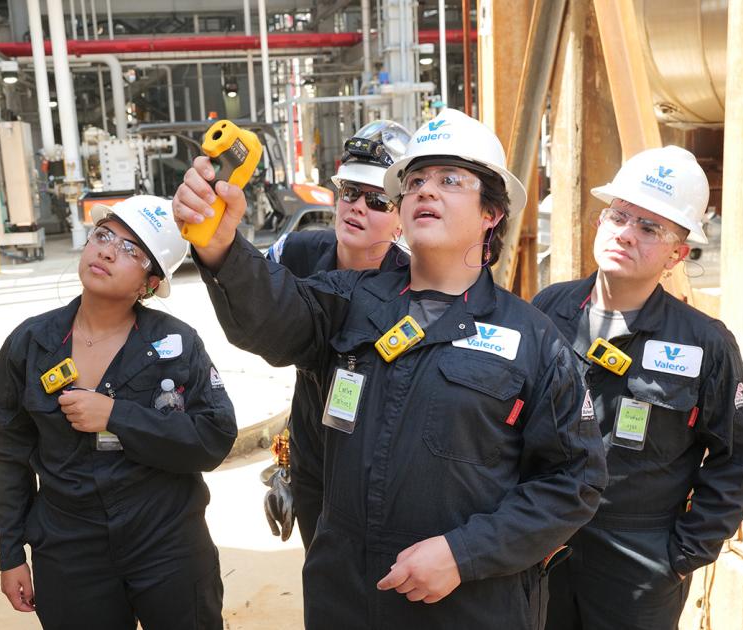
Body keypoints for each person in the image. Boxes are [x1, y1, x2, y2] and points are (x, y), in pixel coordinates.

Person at [174, 108, 607, 629]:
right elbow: (270, 320)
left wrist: (462, 553)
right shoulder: (346, 302)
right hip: (346, 594)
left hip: (468, 605)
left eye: (450, 180)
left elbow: (573, 482)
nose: (426, 190)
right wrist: (221, 245)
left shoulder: (532, 341)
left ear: (492, 212)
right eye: (416, 181)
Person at [0, 195, 236, 630]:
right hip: (69, 549)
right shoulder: (30, 344)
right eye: (103, 235)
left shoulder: (177, 344)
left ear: (151, 283)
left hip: (167, 543)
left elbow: (214, 438)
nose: (105, 250)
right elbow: (9, 455)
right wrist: (11, 554)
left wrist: (116, 416)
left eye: (130, 249)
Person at [533, 146, 743, 630]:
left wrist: (677, 557)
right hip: (541, 545)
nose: (626, 233)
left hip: (640, 563)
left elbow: (733, 464)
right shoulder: (549, 311)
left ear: (678, 253)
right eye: (619, 216)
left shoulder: (705, 344)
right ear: (600, 222)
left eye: (649, 227)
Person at [263, 119, 411, 549]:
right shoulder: (295, 254)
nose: (357, 207)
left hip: (380, 471)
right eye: (349, 193)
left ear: (401, 217)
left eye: (376, 201)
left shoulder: (413, 286)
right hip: (313, 463)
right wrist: (286, 472)